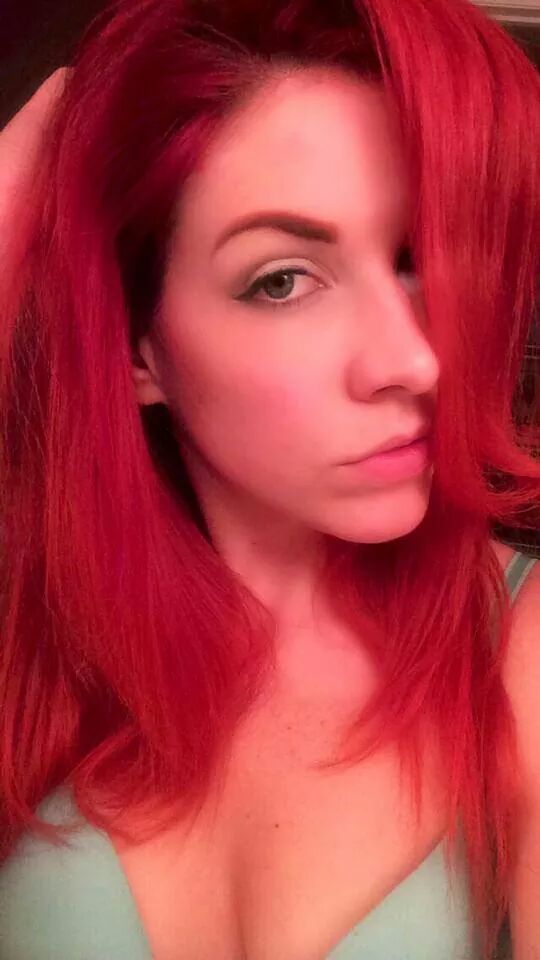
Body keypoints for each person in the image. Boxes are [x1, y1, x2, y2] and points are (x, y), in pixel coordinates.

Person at [0, 0, 539, 957]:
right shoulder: (34, 624)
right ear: (136, 350)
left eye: (419, 258)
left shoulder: (517, 646)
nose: (414, 362)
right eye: (282, 279)